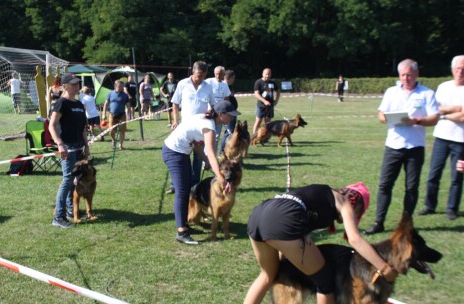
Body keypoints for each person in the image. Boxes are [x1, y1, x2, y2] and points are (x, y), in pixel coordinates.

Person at [244, 182, 398, 304]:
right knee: (324, 280)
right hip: (284, 220)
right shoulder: (344, 202)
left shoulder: (321, 195)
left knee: (267, 275)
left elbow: (284, 233)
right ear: (356, 203)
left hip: (258, 216)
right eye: (358, 213)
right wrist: (384, 268)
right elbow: (355, 239)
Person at [364, 59, 439, 235]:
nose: (406, 78)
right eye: (403, 75)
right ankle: (378, 222)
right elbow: (381, 114)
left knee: (411, 187)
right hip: (393, 146)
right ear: (399, 75)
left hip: (415, 147)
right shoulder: (391, 92)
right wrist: (386, 118)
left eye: (409, 75)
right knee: (384, 185)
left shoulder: (427, 94)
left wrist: (417, 120)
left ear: (416, 74)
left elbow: (435, 118)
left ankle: (406, 224)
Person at [162, 100, 240, 245]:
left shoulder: (206, 119)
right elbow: (210, 152)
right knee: (182, 191)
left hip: (182, 153)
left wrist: (208, 163)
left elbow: (198, 147)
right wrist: (219, 176)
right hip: (173, 152)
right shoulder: (209, 126)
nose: (231, 118)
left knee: (186, 188)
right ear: (221, 114)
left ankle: (184, 225)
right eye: (230, 115)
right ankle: (181, 232)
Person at [418, 55, 464, 220]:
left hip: (461, 141)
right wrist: (455, 109)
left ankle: (451, 208)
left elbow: (463, 117)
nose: (461, 71)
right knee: (433, 175)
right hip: (441, 138)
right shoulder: (444, 87)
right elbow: (435, 110)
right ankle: (430, 206)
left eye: (463, 68)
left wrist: (444, 114)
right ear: (452, 69)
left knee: (457, 177)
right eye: (458, 68)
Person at [168, 60, 216, 194]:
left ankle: (194, 185)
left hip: (200, 128)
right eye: (198, 75)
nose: (200, 78)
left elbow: (213, 105)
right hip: (184, 128)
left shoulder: (207, 86)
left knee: (198, 157)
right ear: (192, 72)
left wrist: (211, 111)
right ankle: (175, 184)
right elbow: (175, 103)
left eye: (203, 75)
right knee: (180, 157)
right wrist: (175, 121)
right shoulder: (182, 84)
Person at [49, 73, 90, 228]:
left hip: (79, 147)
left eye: (78, 83)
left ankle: (71, 211)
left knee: (75, 180)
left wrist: (86, 145)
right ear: (65, 86)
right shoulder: (61, 103)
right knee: (67, 181)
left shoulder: (79, 104)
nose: (76, 86)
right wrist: (60, 144)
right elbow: (52, 126)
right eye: (73, 84)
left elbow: (83, 129)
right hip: (67, 147)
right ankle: (58, 217)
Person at [206, 66, 231, 148]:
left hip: (220, 113)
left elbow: (227, 98)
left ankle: (213, 156)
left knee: (216, 136)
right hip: (209, 111)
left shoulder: (225, 84)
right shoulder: (208, 82)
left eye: (220, 74)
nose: (218, 76)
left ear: (224, 74)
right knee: (206, 135)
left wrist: (226, 110)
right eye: (217, 74)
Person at [252, 68, 280, 135]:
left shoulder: (273, 83)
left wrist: (276, 101)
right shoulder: (258, 82)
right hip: (261, 105)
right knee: (258, 121)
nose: (267, 76)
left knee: (268, 123)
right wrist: (264, 101)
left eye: (269, 74)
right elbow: (256, 94)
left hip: (270, 106)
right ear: (263, 74)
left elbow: (278, 91)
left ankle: (265, 138)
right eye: (266, 74)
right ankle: (253, 137)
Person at [103, 80, 129, 150]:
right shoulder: (110, 93)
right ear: (116, 86)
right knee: (111, 130)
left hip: (122, 114)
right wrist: (103, 114)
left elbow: (128, 105)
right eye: (120, 86)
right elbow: (106, 104)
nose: (122, 88)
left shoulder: (125, 95)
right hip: (112, 114)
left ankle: (120, 145)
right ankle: (113, 140)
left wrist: (128, 113)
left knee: (122, 131)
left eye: (122, 86)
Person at [220, 70, 238, 155]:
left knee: (229, 132)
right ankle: (222, 152)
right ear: (230, 77)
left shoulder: (229, 86)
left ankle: (225, 151)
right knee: (228, 132)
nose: (234, 79)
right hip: (228, 113)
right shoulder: (225, 86)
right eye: (233, 78)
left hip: (232, 112)